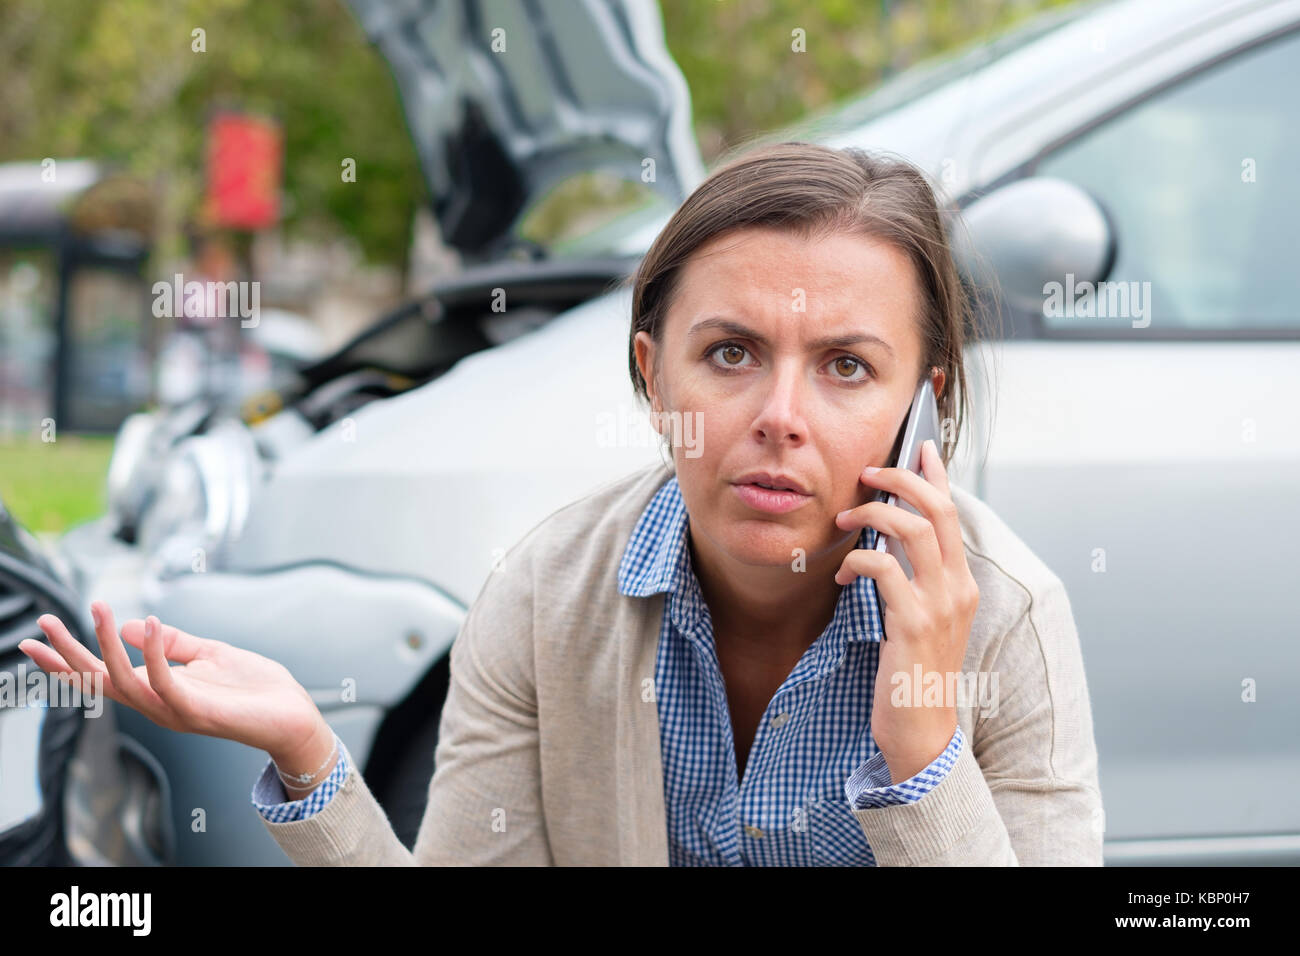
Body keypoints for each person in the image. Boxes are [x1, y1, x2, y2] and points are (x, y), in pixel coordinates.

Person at [21, 142, 1103, 866]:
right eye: (729, 352)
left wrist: (921, 752)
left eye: (847, 367)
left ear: (927, 404)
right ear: (652, 375)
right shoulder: (545, 592)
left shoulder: (1007, 621)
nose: (781, 415)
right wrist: (311, 753)